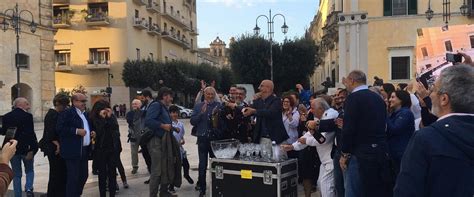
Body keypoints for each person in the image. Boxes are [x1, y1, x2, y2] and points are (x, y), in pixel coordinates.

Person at [394, 64, 474, 197]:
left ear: (444, 99)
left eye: (434, 90)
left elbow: (406, 191)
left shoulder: (426, 139)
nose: (430, 95)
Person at [339, 70, 392, 197]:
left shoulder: (352, 99)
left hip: (360, 153)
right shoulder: (378, 98)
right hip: (380, 151)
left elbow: (349, 128)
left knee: (354, 192)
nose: (345, 84)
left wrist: (344, 153)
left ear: (352, 80)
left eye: (346, 81)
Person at [282, 98, 339, 197]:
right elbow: (309, 134)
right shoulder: (319, 118)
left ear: (321, 109)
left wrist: (306, 141)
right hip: (324, 160)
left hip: (331, 159)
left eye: (312, 108)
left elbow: (322, 139)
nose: (310, 111)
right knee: (321, 185)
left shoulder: (331, 115)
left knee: (327, 187)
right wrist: (293, 146)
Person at [56, 93, 95, 197]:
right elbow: (60, 129)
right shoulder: (67, 113)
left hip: (84, 150)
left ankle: (77, 194)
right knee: (73, 177)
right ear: (74, 102)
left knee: (84, 176)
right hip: (72, 151)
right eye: (82, 101)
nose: (84, 103)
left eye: (85, 101)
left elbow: (88, 127)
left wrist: (92, 132)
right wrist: (76, 131)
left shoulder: (85, 114)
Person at [242, 80, 289, 159]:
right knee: (265, 162)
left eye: (261, 86)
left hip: (277, 138)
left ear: (268, 88)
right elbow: (250, 110)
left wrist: (254, 111)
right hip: (263, 138)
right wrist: (244, 110)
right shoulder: (258, 101)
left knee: (279, 161)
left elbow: (270, 113)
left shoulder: (276, 101)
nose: (259, 88)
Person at [1, 97, 38, 197]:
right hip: (26, 148)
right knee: (29, 170)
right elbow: (30, 134)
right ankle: (29, 188)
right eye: (27, 103)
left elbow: (4, 132)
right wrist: (33, 149)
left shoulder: (6, 116)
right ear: (21, 104)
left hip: (12, 148)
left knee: (16, 174)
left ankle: (18, 195)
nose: (28, 106)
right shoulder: (28, 116)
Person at [144, 87, 178, 197]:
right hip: (156, 141)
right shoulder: (156, 105)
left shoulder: (163, 107)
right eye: (170, 96)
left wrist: (172, 128)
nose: (171, 99)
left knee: (165, 167)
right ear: (164, 96)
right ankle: (153, 195)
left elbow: (164, 122)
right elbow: (149, 121)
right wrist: (163, 126)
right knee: (157, 170)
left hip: (162, 141)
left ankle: (163, 192)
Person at [190, 87, 221, 197]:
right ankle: (202, 189)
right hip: (202, 139)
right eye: (208, 94)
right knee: (202, 165)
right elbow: (192, 121)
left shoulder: (219, 106)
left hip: (215, 140)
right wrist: (201, 114)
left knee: (216, 165)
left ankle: (217, 187)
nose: (210, 96)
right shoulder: (198, 106)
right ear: (204, 94)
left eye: (212, 94)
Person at [39, 94, 69, 197]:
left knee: (57, 173)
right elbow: (50, 133)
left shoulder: (55, 114)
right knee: (57, 173)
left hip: (54, 147)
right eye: (64, 105)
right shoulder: (53, 115)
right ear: (57, 104)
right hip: (53, 149)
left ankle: (56, 193)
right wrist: (56, 143)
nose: (65, 107)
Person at [89, 100, 120, 197]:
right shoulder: (93, 118)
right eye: (103, 108)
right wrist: (102, 119)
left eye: (107, 108)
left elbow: (115, 128)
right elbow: (98, 132)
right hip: (100, 150)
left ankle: (112, 194)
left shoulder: (111, 117)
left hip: (112, 148)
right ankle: (102, 194)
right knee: (102, 174)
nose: (105, 111)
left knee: (112, 173)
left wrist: (110, 118)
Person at [387, 90, 415, 177]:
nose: (389, 100)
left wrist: (384, 114)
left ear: (401, 100)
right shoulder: (395, 114)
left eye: (393, 97)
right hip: (394, 153)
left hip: (401, 153)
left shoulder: (405, 113)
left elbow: (394, 129)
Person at [168, 105, 194, 193]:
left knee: (186, 164)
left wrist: (182, 140)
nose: (174, 114)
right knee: (175, 168)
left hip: (180, 148)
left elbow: (181, 135)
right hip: (172, 150)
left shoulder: (181, 124)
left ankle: (186, 175)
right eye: (172, 113)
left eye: (175, 112)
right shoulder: (169, 125)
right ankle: (171, 186)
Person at [140, 90, 154, 184]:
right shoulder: (145, 106)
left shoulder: (153, 105)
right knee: (147, 157)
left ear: (147, 97)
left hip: (151, 135)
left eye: (143, 98)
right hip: (145, 135)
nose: (142, 100)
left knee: (151, 158)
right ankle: (152, 176)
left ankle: (155, 177)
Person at [126, 99, 143, 174]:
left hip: (143, 135)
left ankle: (150, 165)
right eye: (133, 104)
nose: (134, 105)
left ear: (140, 105)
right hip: (133, 135)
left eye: (136, 104)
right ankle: (135, 166)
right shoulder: (129, 113)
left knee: (147, 152)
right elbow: (130, 121)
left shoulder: (144, 113)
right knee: (134, 152)